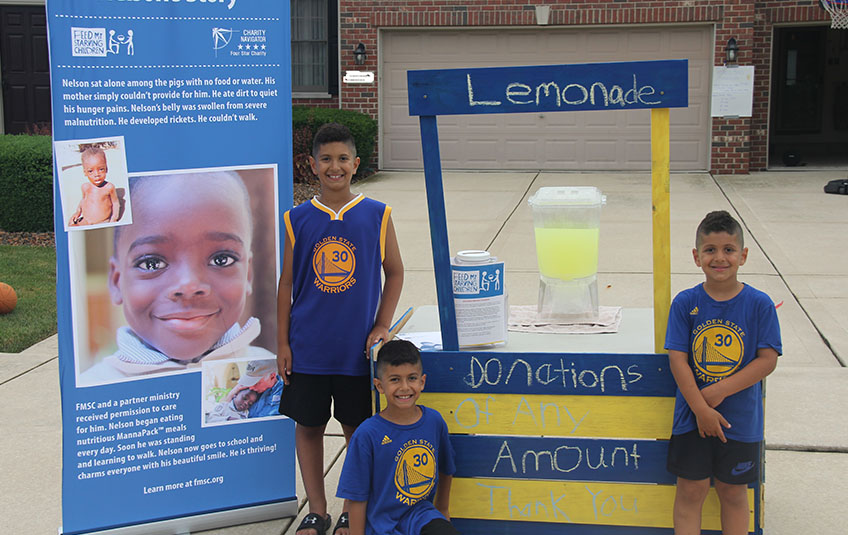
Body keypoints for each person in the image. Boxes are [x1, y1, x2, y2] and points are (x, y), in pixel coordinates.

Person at [277, 123, 404, 535]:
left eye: (343, 159)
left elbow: (395, 272)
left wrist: (382, 324)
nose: (335, 167)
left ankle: (352, 509)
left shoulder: (376, 214)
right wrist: (283, 343)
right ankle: (317, 509)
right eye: (326, 159)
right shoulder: (297, 219)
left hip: (355, 352)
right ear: (312, 165)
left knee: (357, 431)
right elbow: (286, 285)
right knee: (309, 427)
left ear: (356, 164)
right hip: (308, 348)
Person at [79, 171, 274, 384]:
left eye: (221, 259)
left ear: (247, 274)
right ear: (117, 282)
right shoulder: (96, 390)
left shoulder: (269, 374)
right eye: (151, 263)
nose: (188, 285)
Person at [665, 210, 781, 535]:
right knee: (691, 491)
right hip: (692, 421)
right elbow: (678, 360)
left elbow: (767, 360)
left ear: (743, 255)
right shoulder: (685, 303)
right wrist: (701, 409)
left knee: (733, 493)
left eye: (729, 249)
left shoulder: (759, 304)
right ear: (696, 256)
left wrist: (719, 391)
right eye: (710, 250)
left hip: (740, 423)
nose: (719, 258)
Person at [336, 340, 457, 535]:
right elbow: (356, 497)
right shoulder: (367, 434)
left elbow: (446, 469)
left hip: (422, 516)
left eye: (411, 378)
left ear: (422, 382)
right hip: (380, 524)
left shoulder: (434, 421)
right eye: (394, 379)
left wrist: (442, 510)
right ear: (379, 385)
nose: (404, 387)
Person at [68, 147, 121, 227]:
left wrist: (114, 218)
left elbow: (115, 203)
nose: (96, 175)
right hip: (86, 220)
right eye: (90, 171)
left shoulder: (109, 187)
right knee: (71, 225)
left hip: (103, 222)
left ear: (106, 169)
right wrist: (78, 212)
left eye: (101, 169)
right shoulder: (85, 187)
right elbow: (83, 200)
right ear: (85, 172)